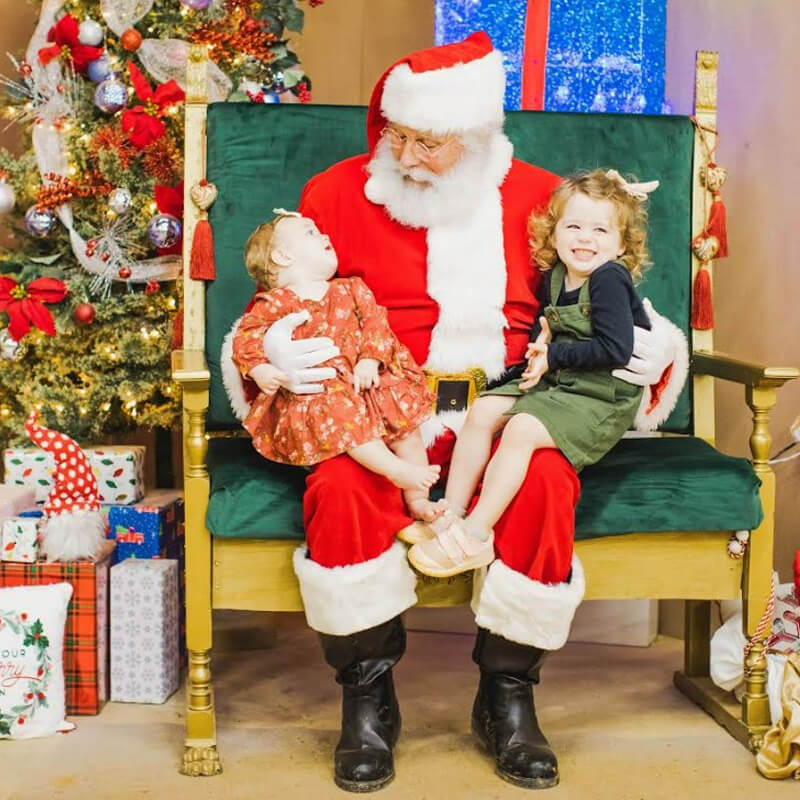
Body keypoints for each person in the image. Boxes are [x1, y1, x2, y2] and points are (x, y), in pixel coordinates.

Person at [225, 31, 684, 793]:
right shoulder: (335, 194)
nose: (405, 156)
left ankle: (508, 696)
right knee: (339, 489)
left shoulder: (544, 197)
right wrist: (270, 351)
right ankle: (367, 699)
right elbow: (284, 293)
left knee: (546, 483)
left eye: (428, 143)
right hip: (378, 410)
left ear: (474, 137)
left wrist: (649, 343)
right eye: (397, 136)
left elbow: (605, 282)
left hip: (507, 401)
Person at [408, 169, 659, 578]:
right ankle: (450, 514)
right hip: (561, 382)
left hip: (601, 396)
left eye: (600, 230)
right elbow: (544, 331)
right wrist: (530, 360)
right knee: (482, 411)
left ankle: (474, 535)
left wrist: (552, 355)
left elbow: (615, 350)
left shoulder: (609, 279)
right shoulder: (557, 276)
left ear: (620, 245)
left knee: (521, 428)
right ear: (553, 233)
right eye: (573, 226)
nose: (585, 238)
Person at [231, 210, 443, 518]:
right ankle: (396, 470)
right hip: (326, 394)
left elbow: (375, 322)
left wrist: (370, 358)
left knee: (408, 431)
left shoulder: (351, 288)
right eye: (310, 232)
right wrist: (260, 368)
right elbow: (246, 338)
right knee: (349, 426)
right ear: (283, 256)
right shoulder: (276, 303)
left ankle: (418, 501)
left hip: (369, 382)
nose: (324, 235)